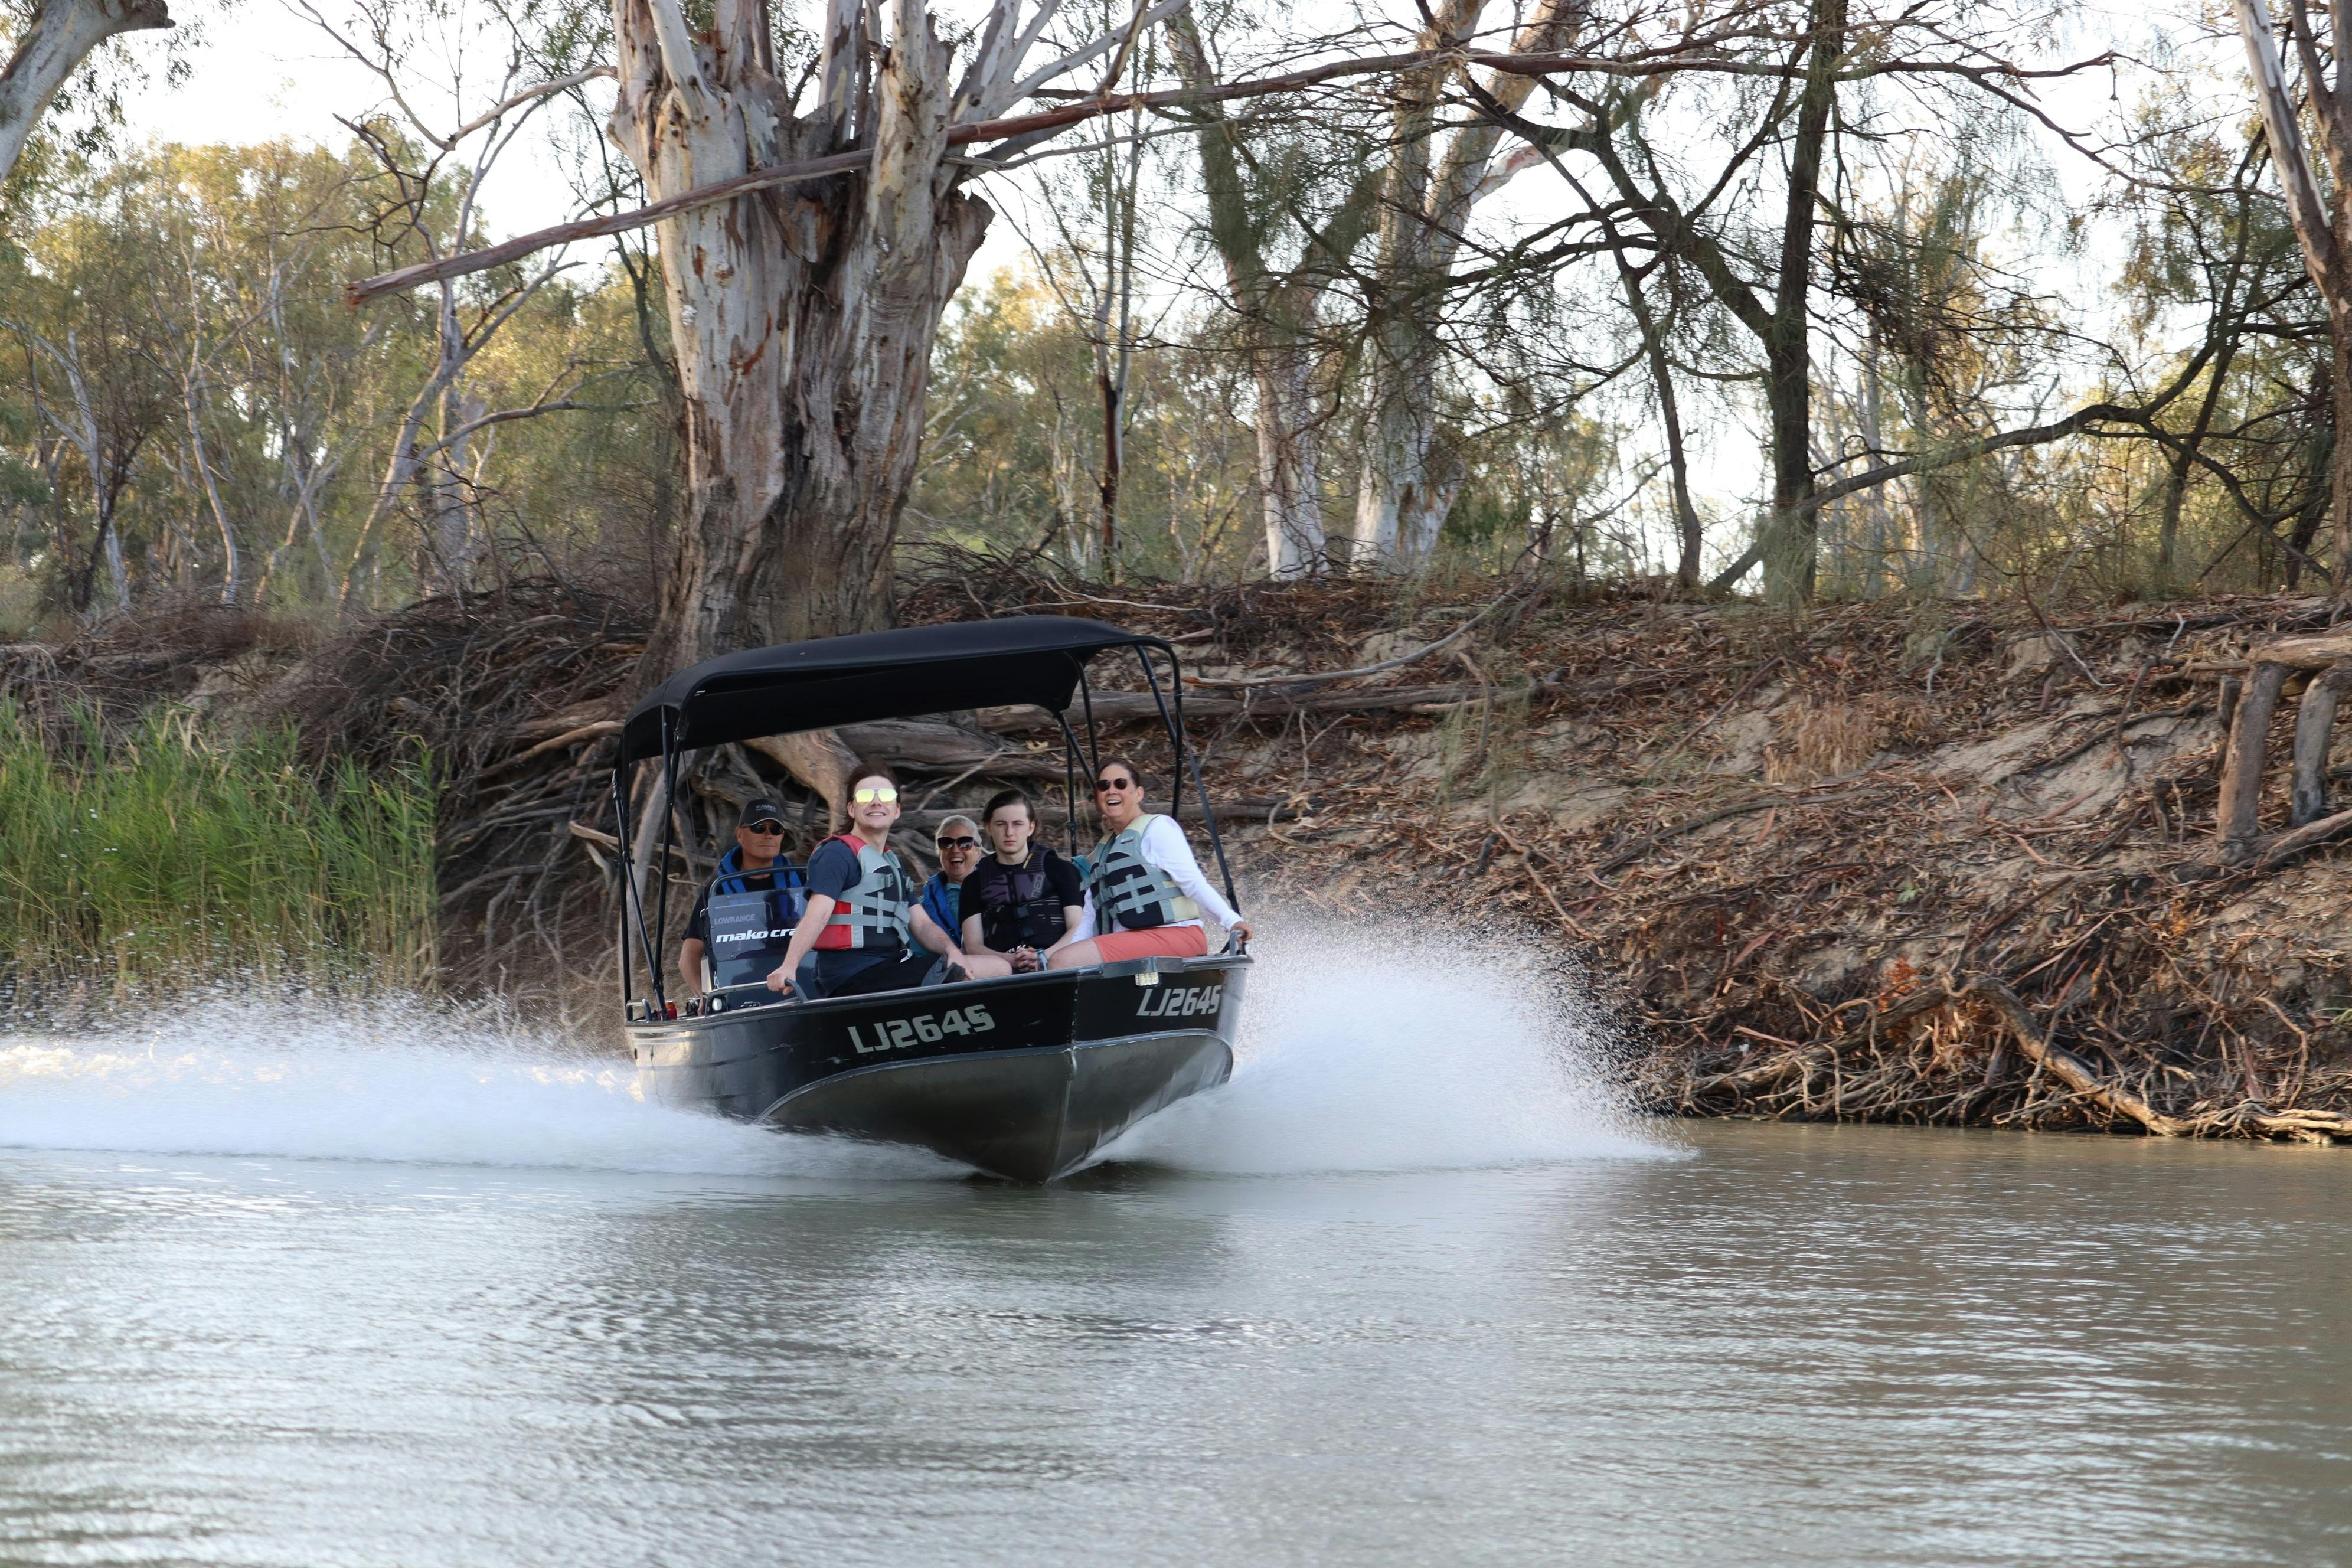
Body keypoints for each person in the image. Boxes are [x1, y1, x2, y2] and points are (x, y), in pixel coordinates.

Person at [764, 768, 1011, 999]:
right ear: (851, 808)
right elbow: (817, 916)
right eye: (865, 795)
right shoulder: (837, 854)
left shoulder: (892, 863)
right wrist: (790, 965)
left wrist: (952, 951)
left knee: (989, 966)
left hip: (892, 965)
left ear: (897, 810)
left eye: (886, 795)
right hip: (852, 975)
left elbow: (923, 925)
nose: (876, 801)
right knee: (996, 969)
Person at [1048, 760, 1253, 969]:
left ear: (1139, 794)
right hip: (1130, 942)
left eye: (1120, 784)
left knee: (1062, 961)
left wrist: (1231, 921)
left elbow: (1193, 883)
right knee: (1061, 961)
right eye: (1104, 786)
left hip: (1175, 936)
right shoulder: (1105, 851)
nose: (1112, 791)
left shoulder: (1158, 829)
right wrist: (1068, 953)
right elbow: (1091, 914)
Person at [677, 799, 805, 994]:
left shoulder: (803, 881)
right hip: (741, 989)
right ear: (740, 834)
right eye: (759, 828)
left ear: (782, 836)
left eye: (775, 829)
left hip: (799, 982)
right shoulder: (716, 891)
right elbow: (688, 956)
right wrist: (705, 997)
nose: (768, 835)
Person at [959, 789, 1084, 973]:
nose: (1009, 832)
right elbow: (973, 946)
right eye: (1001, 824)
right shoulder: (973, 883)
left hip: (1058, 965)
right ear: (989, 827)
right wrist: (1009, 960)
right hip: (1001, 972)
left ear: (1031, 827)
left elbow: (1078, 927)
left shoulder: (1062, 870)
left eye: (1017, 824)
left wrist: (1044, 957)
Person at [917, 815, 982, 943]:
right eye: (946, 843)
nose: (955, 850)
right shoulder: (921, 908)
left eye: (965, 843)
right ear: (939, 852)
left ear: (978, 852)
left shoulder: (1000, 890)